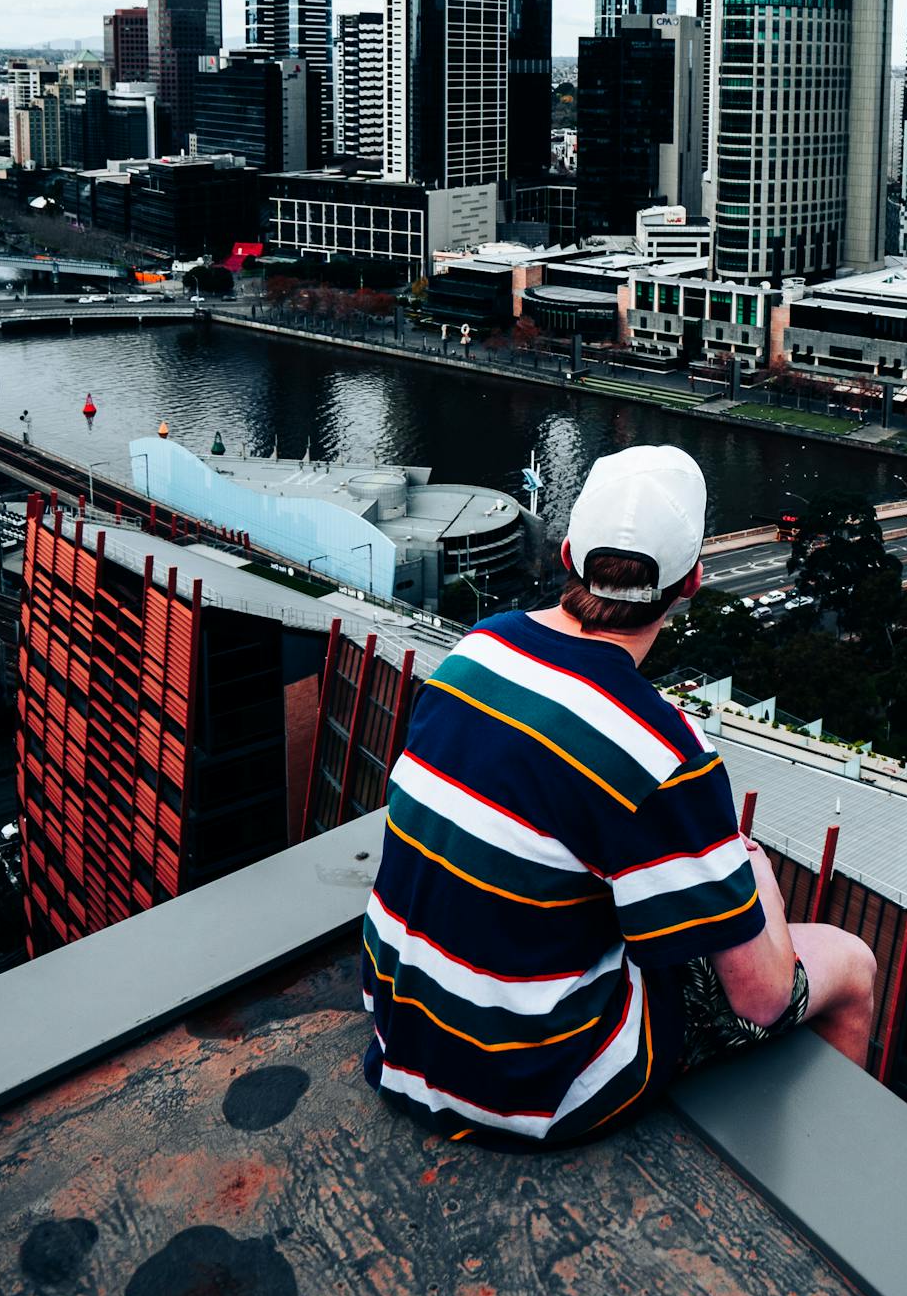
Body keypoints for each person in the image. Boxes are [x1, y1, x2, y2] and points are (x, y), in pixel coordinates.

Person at [361, 444, 876, 1143]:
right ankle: (826, 1186)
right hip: (527, 1088)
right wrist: (760, 883)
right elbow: (762, 997)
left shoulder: (472, 654)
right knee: (851, 964)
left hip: (402, 1039)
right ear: (691, 582)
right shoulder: (665, 755)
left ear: (568, 554)